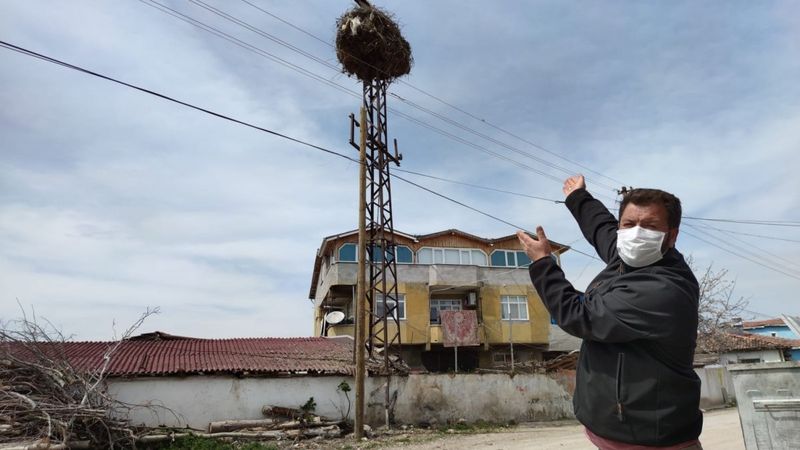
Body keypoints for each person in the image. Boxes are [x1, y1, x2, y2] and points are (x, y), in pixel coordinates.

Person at [517, 174, 703, 450]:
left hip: (650, 440)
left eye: (650, 226)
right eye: (629, 224)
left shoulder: (662, 290)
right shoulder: (628, 258)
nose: (636, 233)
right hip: (623, 432)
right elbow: (601, 228)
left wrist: (544, 263)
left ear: (671, 235)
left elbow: (577, 315)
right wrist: (577, 197)